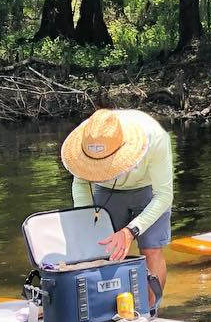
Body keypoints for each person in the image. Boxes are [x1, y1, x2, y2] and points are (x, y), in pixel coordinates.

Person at [61, 108, 172, 309]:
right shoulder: (86, 138)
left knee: (151, 249)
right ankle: (105, 308)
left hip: (148, 189)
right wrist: (86, 219)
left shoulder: (155, 138)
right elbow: (80, 184)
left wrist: (131, 231)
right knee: (103, 249)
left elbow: (164, 195)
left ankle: (151, 310)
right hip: (105, 189)